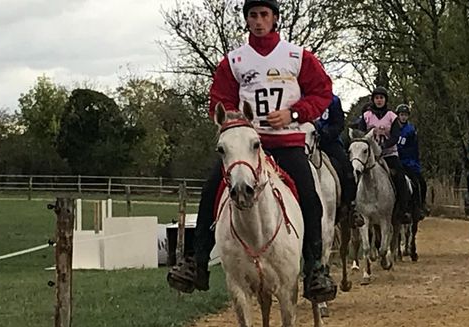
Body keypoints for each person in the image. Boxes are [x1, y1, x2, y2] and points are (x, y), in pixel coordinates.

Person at [167, 0, 337, 303]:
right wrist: (237, 123)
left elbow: (323, 91)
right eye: (253, 15)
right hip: (247, 147)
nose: (258, 21)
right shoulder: (233, 62)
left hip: (286, 143)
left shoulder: (297, 57)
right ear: (246, 20)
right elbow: (219, 100)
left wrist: (294, 115)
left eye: (264, 15)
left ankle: (315, 269)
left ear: (275, 19)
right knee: (210, 192)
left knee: (310, 198)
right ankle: (196, 263)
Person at [358, 87, 411, 223]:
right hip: (369, 156)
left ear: (385, 100)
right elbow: (360, 134)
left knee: (400, 177)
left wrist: (384, 146)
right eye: (377, 98)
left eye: (381, 98)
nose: (379, 100)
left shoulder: (392, 117)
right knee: (355, 174)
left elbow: (395, 136)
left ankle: (403, 210)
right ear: (373, 100)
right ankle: (355, 209)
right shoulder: (366, 116)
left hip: (389, 154)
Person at [314, 94, 363, 226]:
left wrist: (326, 133)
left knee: (347, 169)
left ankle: (351, 207)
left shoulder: (333, 100)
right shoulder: (301, 97)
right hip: (307, 142)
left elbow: (339, 124)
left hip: (330, 142)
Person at [393, 104, 428, 219]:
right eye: (401, 115)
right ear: (397, 116)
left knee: (419, 183)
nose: (403, 117)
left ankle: (418, 206)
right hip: (393, 159)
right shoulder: (392, 128)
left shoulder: (410, 130)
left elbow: (412, 149)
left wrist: (413, 164)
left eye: (405, 115)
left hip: (408, 162)